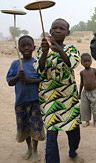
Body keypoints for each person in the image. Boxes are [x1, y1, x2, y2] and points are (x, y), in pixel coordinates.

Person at [33, 18, 84, 163]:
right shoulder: (42, 50)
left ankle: (73, 152)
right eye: (55, 28)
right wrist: (44, 52)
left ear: (68, 32)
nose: (57, 30)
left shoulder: (71, 49)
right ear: (50, 31)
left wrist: (58, 49)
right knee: (51, 137)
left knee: (74, 132)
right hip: (49, 98)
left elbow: (71, 64)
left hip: (68, 98)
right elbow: (40, 69)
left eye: (62, 28)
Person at [6, 35, 45, 163]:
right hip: (21, 101)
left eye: (29, 45)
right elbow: (10, 82)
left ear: (34, 48)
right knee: (25, 126)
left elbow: (43, 80)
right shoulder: (16, 64)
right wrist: (18, 76)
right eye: (23, 46)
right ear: (19, 49)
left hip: (34, 101)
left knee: (35, 126)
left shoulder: (36, 63)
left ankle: (35, 150)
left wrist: (30, 81)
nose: (26, 48)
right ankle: (28, 148)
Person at [79, 53, 96, 127]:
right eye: (84, 61)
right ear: (81, 63)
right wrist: (79, 94)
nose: (87, 63)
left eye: (88, 61)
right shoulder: (82, 73)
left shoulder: (94, 70)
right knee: (85, 108)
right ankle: (87, 121)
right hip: (85, 93)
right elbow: (81, 83)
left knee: (95, 107)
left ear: (91, 62)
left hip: (94, 92)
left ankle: (95, 121)